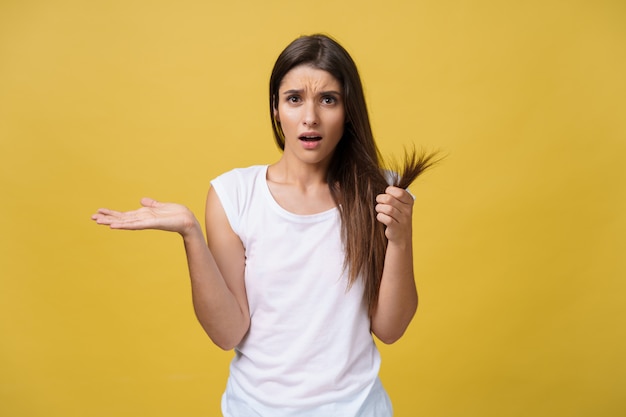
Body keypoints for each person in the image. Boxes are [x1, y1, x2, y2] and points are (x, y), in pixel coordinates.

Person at [92, 34, 437, 417]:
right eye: (294, 99)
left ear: (348, 110)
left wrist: (400, 240)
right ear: (276, 109)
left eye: (328, 99)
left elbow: (390, 328)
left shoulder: (380, 192)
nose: (310, 117)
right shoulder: (233, 194)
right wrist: (190, 233)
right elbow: (228, 333)